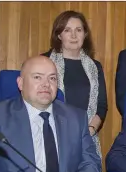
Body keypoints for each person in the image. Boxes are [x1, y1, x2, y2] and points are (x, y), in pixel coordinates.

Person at [0, 56, 101, 172]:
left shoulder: (76, 117)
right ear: (20, 83)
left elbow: (91, 163)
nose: (46, 84)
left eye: (52, 78)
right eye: (37, 77)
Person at [42, 10, 107, 159]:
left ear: (85, 34)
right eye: (67, 30)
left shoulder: (95, 66)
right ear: (59, 35)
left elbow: (101, 106)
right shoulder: (44, 61)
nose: (73, 36)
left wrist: (89, 130)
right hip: (51, 136)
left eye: (78, 30)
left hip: (86, 138)